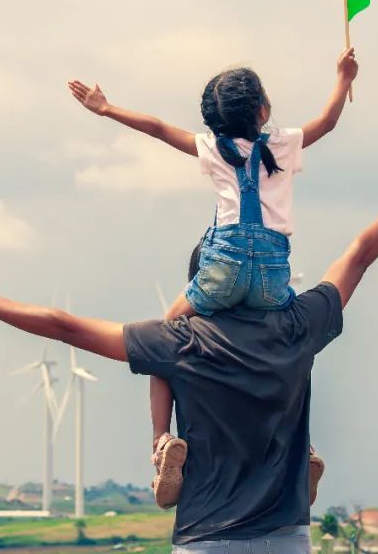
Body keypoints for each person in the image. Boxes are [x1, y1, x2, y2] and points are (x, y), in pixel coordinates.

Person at [0, 170, 378, 553]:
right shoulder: (297, 325)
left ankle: (164, 448)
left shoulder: (180, 341)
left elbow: (64, 324)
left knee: (160, 370)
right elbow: (356, 256)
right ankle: (296, 465)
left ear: (201, 286)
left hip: (207, 535)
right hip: (286, 536)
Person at [67, 49, 358, 506]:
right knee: (293, 342)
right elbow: (328, 121)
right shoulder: (281, 144)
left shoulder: (212, 148)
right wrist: (344, 78)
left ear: (214, 121)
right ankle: (304, 448)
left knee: (163, 341)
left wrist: (107, 108)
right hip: (271, 277)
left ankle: (162, 442)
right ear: (263, 111)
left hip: (220, 269)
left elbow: (159, 128)